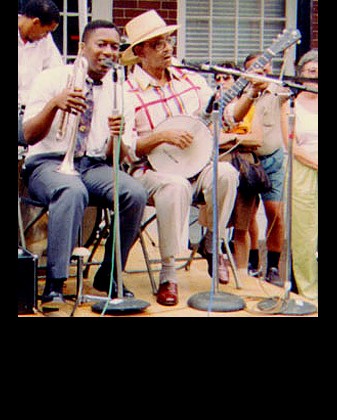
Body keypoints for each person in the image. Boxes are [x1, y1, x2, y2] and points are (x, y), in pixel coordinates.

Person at [21, 19, 148, 309]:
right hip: (47, 162)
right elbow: (28, 135)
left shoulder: (121, 91)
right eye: (101, 44)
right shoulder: (52, 78)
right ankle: (55, 282)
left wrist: (117, 135)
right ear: (83, 48)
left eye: (115, 46)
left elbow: (117, 155)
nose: (109, 51)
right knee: (72, 190)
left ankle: (110, 273)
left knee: (134, 192)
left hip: (92, 164)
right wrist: (55, 104)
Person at [119, 10, 239, 306]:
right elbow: (127, 148)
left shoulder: (191, 80)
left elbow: (224, 116)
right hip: (148, 173)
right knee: (174, 185)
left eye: (168, 41)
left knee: (226, 173)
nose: (168, 48)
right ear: (139, 52)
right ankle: (168, 273)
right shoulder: (126, 92)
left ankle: (213, 242)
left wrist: (250, 95)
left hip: (195, 168)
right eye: (158, 44)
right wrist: (162, 136)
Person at [222, 53, 290, 287]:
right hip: (248, 163)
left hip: (273, 160)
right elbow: (232, 118)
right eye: (256, 70)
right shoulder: (239, 99)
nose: (262, 74)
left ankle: (273, 266)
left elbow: (285, 94)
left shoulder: (277, 92)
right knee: (248, 216)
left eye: (265, 70)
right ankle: (252, 262)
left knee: (275, 213)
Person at [289, 49, 318, 301]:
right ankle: (310, 291)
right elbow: (292, 147)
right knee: (305, 233)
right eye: (311, 72)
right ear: (300, 76)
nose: (316, 77)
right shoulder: (291, 105)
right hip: (304, 171)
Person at [18, 0, 62, 145]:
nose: (46, 35)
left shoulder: (46, 41)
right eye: (46, 31)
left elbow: (56, 72)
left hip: (30, 111)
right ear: (35, 22)